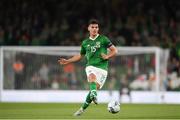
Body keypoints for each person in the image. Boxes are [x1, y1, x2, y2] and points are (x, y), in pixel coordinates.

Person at [58, 19, 117, 116]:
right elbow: (80, 55)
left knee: (93, 89)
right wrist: (68, 61)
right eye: (92, 27)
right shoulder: (85, 42)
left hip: (103, 69)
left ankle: (82, 109)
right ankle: (94, 94)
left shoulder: (103, 39)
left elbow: (115, 50)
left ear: (98, 28)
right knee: (91, 76)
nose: (94, 29)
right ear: (88, 28)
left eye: (96, 27)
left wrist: (108, 56)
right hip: (91, 66)